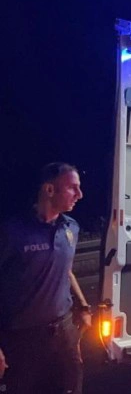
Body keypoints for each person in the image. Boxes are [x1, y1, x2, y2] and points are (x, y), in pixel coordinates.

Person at [0, 162, 90, 394]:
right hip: (22, 339)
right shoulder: (12, 232)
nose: (79, 194)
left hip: (64, 332)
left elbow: (67, 270)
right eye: (72, 188)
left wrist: (83, 306)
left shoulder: (71, 228)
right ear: (49, 190)